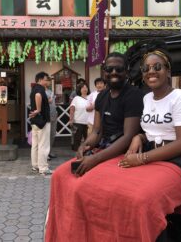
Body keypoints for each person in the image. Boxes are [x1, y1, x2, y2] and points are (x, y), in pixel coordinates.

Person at [45, 49, 181, 242]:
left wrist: (140, 154)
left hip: (175, 159)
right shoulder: (146, 99)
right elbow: (142, 130)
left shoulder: (180, 98)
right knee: (77, 181)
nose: (151, 71)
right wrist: (140, 138)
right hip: (147, 153)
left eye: (157, 67)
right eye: (146, 68)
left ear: (168, 71)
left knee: (138, 199)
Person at [45, 52, 144, 241]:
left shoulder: (133, 96)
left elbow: (128, 136)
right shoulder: (101, 96)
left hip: (122, 151)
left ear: (127, 72)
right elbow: (97, 131)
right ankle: (65, 229)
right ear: (103, 72)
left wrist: (95, 159)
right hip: (103, 147)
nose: (114, 72)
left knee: (87, 184)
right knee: (59, 175)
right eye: (109, 69)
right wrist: (84, 145)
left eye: (119, 69)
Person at [29, 72, 52, 175]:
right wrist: (38, 109)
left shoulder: (34, 89)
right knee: (43, 145)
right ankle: (43, 167)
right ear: (40, 80)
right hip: (42, 121)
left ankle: (35, 165)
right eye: (46, 79)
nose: (47, 82)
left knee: (35, 145)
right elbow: (38, 96)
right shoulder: (39, 89)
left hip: (35, 121)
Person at [69, 83, 90, 151]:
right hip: (78, 122)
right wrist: (71, 120)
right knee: (77, 139)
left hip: (88, 123)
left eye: (86, 87)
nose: (85, 89)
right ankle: (76, 155)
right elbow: (72, 109)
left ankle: (86, 154)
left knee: (88, 139)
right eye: (83, 88)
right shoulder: (76, 98)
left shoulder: (90, 97)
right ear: (79, 90)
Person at [45, 81, 58, 159]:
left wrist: (56, 112)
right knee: (45, 135)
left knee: (52, 134)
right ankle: (45, 154)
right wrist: (47, 101)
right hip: (46, 116)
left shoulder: (50, 92)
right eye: (46, 80)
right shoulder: (39, 92)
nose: (48, 82)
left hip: (53, 114)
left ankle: (49, 151)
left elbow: (53, 103)